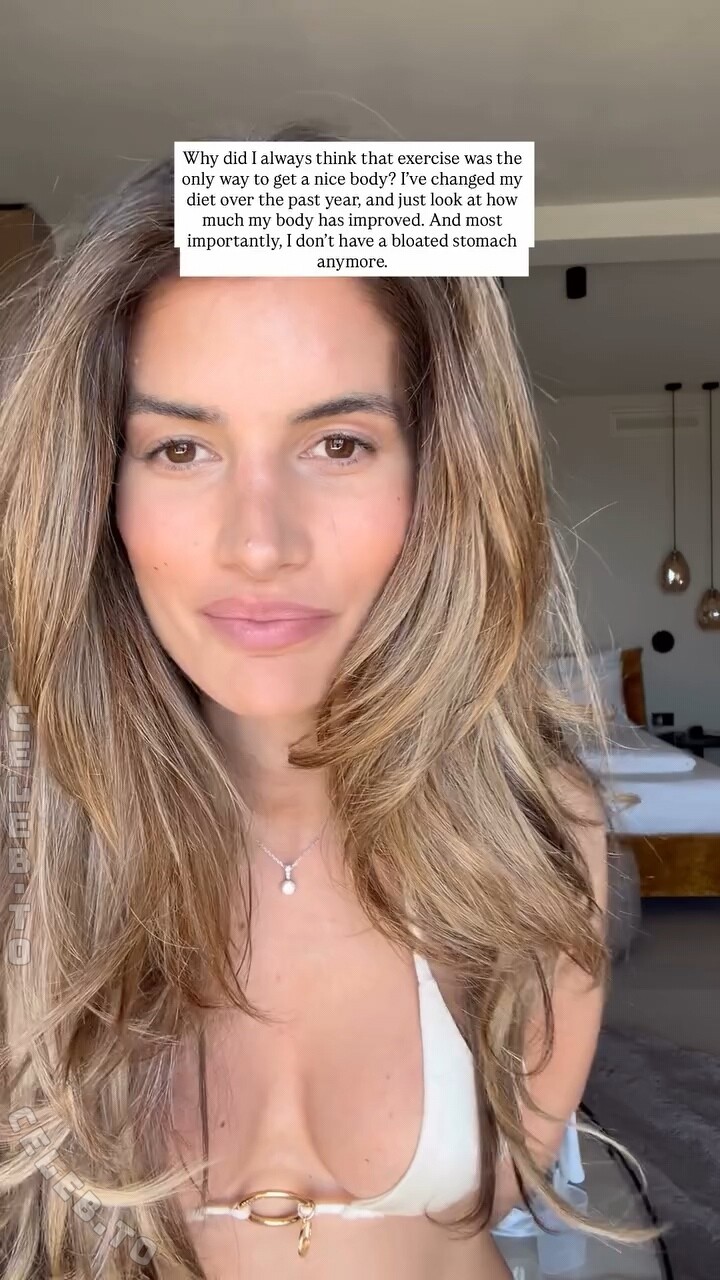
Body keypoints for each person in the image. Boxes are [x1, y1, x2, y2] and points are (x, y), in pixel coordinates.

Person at [0, 125, 635, 1280]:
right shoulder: (32, 844)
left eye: (338, 442)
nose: (259, 543)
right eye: (180, 449)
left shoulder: (539, 831)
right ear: (99, 485)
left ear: (440, 474)